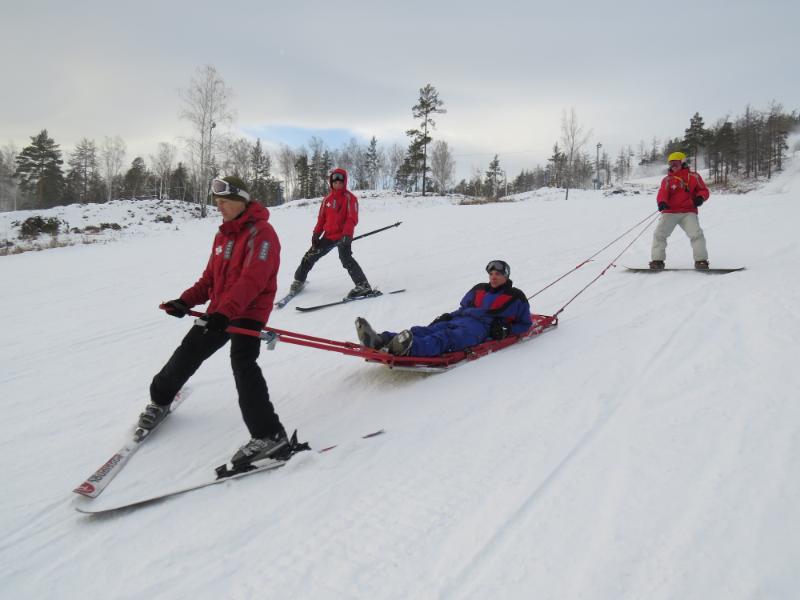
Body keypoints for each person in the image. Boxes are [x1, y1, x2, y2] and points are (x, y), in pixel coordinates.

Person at [140, 176, 289, 467]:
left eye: (223, 202)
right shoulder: (223, 236)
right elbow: (209, 280)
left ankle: (270, 435)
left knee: (243, 363)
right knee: (189, 350)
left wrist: (225, 311)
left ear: (240, 201)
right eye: (217, 202)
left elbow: (253, 280)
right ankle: (160, 399)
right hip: (221, 310)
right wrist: (185, 301)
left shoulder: (263, 234)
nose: (218, 207)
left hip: (249, 310)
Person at [355, 260, 532, 357]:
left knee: (445, 337)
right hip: (460, 319)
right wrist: (447, 316)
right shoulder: (479, 288)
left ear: (506, 276)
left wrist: (506, 329)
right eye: (491, 274)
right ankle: (380, 340)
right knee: (423, 330)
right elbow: (463, 308)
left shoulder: (515, 296)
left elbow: (525, 323)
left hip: (481, 328)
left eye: (498, 274)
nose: (493, 278)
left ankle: (410, 349)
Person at [287, 168, 372, 298]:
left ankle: (363, 285)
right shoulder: (327, 200)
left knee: (346, 260)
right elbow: (322, 219)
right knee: (309, 256)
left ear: (344, 182)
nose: (337, 184)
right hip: (328, 236)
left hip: (343, 236)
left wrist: (347, 235)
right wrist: (316, 234)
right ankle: (299, 280)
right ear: (331, 182)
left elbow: (351, 218)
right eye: (335, 182)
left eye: (340, 182)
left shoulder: (350, 198)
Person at [650, 151, 711, 270]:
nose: (673, 165)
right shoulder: (667, 180)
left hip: (688, 212)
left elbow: (704, 190)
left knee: (696, 234)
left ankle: (701, 261)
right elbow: (663, 192)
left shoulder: (694, 176)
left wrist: (700, 198)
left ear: (682, 162)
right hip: (670, 212)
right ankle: (657, 261)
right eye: (671, 163)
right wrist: (662, 202)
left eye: (676, 162)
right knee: (659, 234)